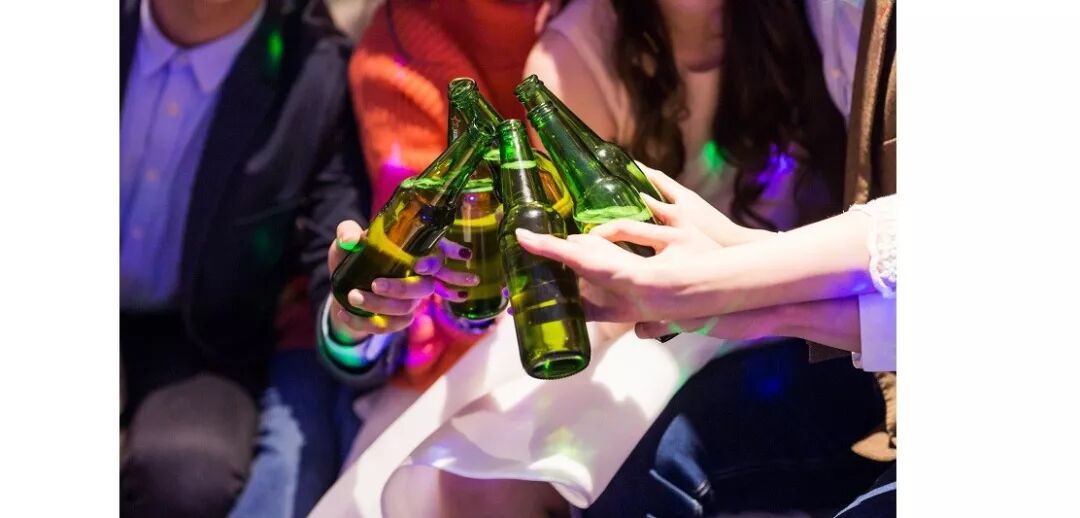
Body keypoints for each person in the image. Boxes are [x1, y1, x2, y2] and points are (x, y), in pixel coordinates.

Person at [516, 0, 898, 515]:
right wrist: (715, 285)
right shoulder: (572, 59)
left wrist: (723, 276)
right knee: (559, 467)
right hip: (681, 321)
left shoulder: (791, 18)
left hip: (820, 321)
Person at [119, 0, 445, 515]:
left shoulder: (320, 78)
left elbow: (332, 273)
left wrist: (352, 317)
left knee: (190, 475)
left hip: (198, 341)